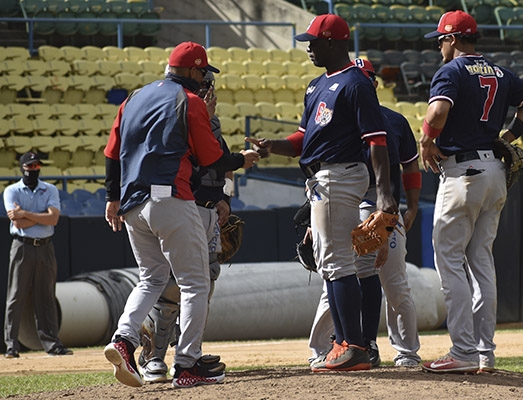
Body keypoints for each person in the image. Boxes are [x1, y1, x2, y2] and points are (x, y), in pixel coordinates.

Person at [245, 14, 398, 372]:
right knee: (331, 263)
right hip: (322, 177)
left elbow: (376, 141)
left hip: (339, 175)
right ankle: (344, 343)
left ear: (332, 42)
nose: (308, 47)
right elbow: (302, 139)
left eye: (313, 41)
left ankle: (353, 345)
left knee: (337, 262)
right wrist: (272, 147)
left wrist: (385, 193)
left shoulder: (356, 83)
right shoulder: (316, 85)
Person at [103, 41, 257, 389]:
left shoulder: (134, 98)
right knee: (195, 283)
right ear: (190, 70)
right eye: (202, 72)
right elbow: (212, 158)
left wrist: (112, 197)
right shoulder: (189, 101)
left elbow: (112, 153)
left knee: (151, 278)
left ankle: (123, 340)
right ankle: (187, 364)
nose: (204, 79)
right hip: (171, 199)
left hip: (133, 205)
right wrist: (241, 160)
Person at [417, 10, 523, 374]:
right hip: (493, 170)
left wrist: (426, 140)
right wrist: (508, 136)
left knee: (450, 260)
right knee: (482, 262)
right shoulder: (500, 72)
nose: (439, 46)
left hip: (463, 173)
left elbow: (438, 111)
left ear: (452, 38)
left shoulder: (451, 71)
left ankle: (462, 350)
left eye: (441, 39)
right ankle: (485, 352)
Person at [136, 69, 259, 383]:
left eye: (208, 87)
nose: (206, 92)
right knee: (171, 287)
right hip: (180, 206)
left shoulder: (211, 123)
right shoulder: (177, 119)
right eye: (202, 86)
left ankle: (188, 354)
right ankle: (153, 358)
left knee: (205, 283)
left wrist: (225, 198)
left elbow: (224, 164)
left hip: (208, 210)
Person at [307, 58, 422, 369]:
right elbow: (317, 165)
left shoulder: (393, 120)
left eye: (366, 76)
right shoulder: (336, 120)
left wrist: (407, 208)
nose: (361, 82)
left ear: (374, 83)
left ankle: (406, 352)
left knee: (395, 284)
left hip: (378, 205)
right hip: (341, 203)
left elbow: (408, 164)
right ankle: (325, 348)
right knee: (336, 275)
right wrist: (311, 215)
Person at [2, 151, 72, 359]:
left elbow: (53, 219)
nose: (33, 169)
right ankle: (11, 345)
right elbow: (17, 223)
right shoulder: (12, 191)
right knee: (16, 295)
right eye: (30, 166)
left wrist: (25, 213)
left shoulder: (49, 189)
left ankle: (52, 343)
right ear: (22, 168)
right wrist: (40, 217)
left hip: (45, 246)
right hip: (22, 246)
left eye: (36, 166)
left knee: (46, 295)